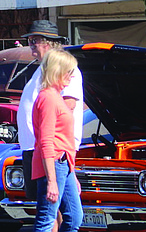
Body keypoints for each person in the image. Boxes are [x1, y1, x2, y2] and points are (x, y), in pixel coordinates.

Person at [17, 20, 84, 201]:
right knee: (46, 202)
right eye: (29, 41)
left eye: (34, 41)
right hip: (35, 147)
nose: (30, 46)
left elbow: (67, 107)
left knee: (53, 203)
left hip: (53, 150)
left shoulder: (68, 70)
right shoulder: (41, 69)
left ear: (49, 43)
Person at [32, 49, 83, 232]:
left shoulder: (55, 97)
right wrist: (51, 180)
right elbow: (46, 140)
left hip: (63, 164)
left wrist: (72, 173)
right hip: (53, 164)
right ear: (57, 71)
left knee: (74, 218)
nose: (71, 76)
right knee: (46, 219)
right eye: (68, 71)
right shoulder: (48, 98)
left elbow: (63, 140)